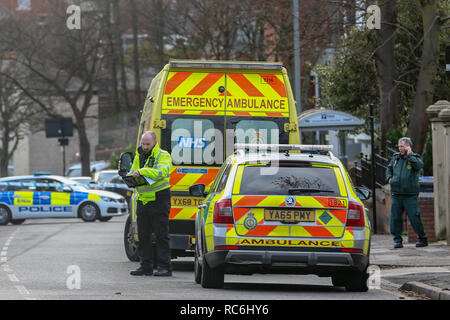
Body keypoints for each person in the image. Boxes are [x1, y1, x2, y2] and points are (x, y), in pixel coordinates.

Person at [129, 131, 173, 276]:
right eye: (143, 144)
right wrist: (128, 175)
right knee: (143, 235)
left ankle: (165, 267)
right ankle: (145, 266)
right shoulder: (139, 155)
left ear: (154, 142)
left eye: (147, 144)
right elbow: (132, 172)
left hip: (160, 199)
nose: (145, 146)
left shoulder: (163, 155)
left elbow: (160, 173)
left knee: (161, 235)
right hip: (143, 200)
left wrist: (142, 171)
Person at [386, 137, 427, 249]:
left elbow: (418, 166)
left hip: (410, 194)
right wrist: (389, 178)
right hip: (396, 193)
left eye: (402, 146)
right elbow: (389, 169)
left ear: (408, 147)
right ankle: (398, 241)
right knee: (395, 218)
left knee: (414, 217)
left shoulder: (415, 158)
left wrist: (409, 155)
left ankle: (422, 238)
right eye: (399, 146)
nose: (400, 148)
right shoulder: (395, 158)